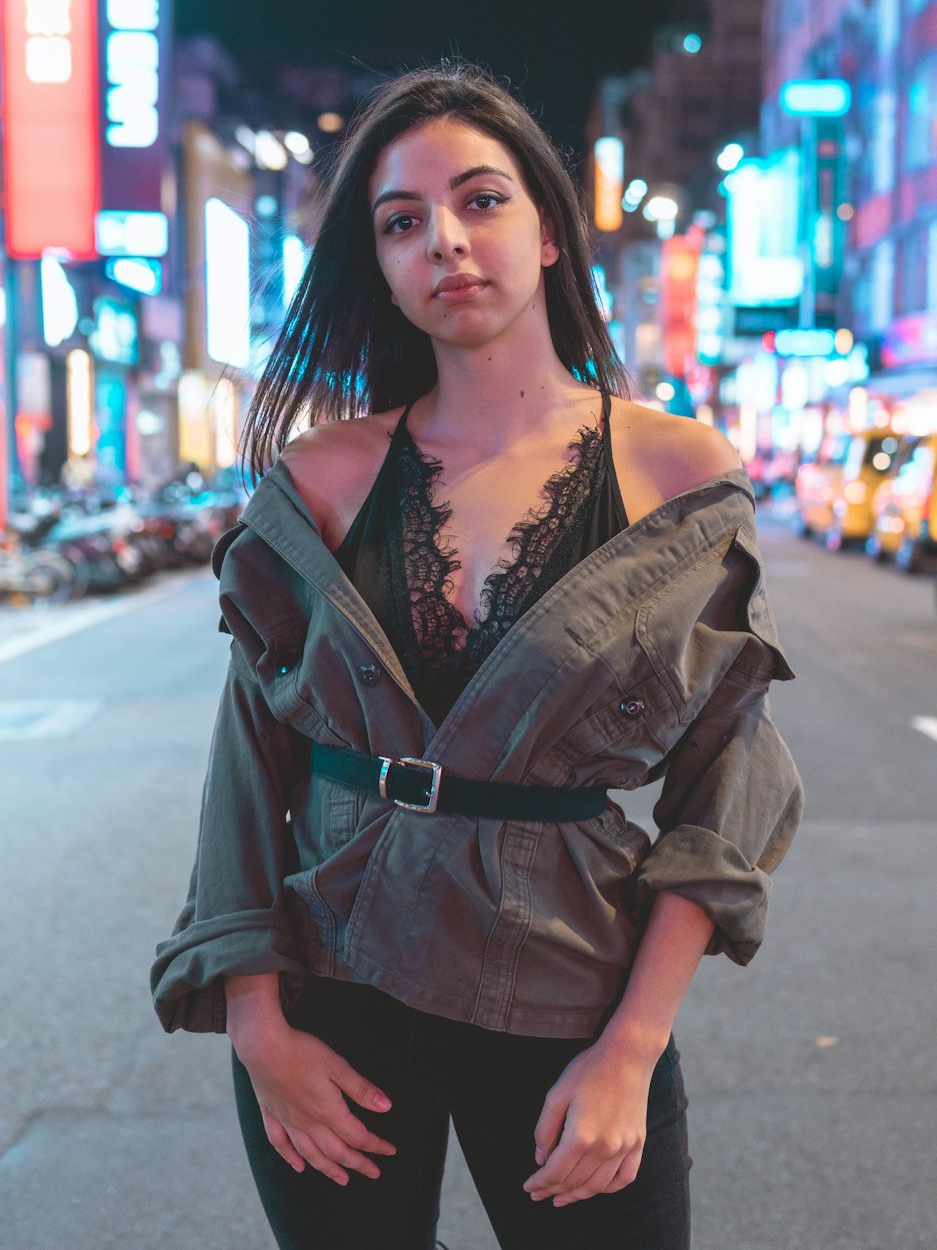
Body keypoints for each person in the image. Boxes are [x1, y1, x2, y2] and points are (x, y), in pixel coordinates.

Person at [151, 62, 803, 1250]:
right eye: (402, 222)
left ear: (549, 230)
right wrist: (256, 1018)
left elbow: (728, 772)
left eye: (480, 200)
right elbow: (249, 756)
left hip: (570, 984)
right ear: (380, 268)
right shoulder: (322, 477)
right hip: (331, 990)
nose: (443, 241)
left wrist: (632, 1044)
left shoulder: (675, 466)